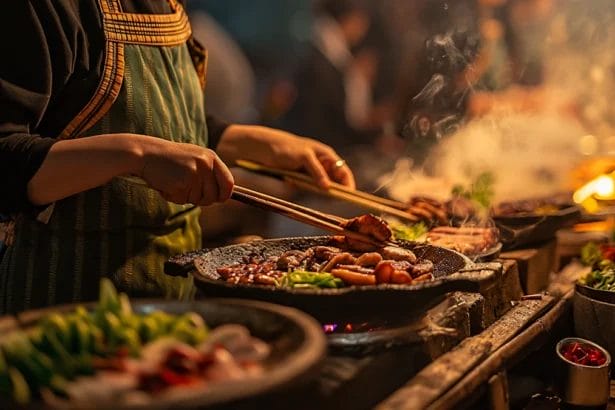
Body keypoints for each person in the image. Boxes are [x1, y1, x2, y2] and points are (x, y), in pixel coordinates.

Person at [0, 0, 354, 314]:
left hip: (171, 309)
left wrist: (245, 141)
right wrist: (136, 155)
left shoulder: (168, 5)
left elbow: (158, 120)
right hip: (65, 318)